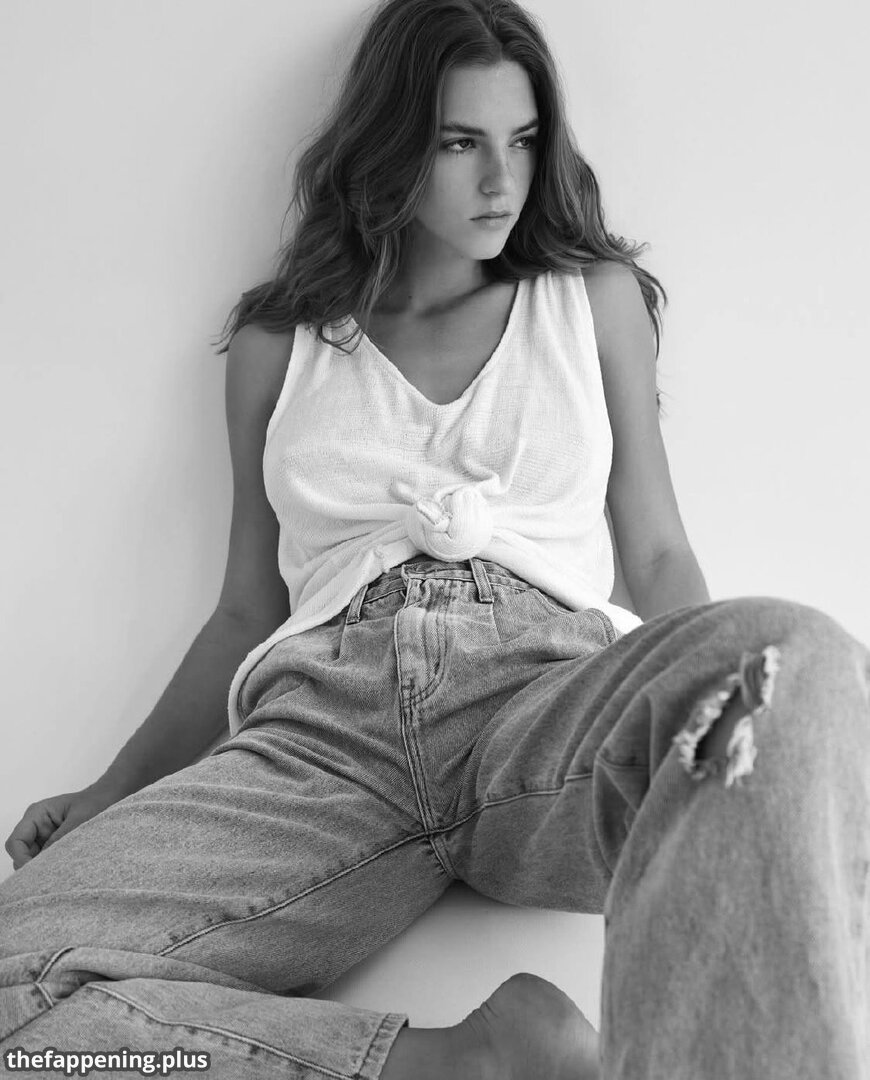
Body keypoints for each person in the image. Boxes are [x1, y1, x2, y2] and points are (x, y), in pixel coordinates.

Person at [2, 0, 868, 1077]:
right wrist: (108, 791)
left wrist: (702, 716)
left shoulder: (590, 303)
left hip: (540, 697)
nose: (502, 180)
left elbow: (654, 552)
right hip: (324, 736)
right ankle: (460, 1065)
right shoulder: (279, 345)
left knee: (800, 664)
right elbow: (244, 610)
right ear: (393, 145)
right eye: (462, 143)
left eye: (523, 140)